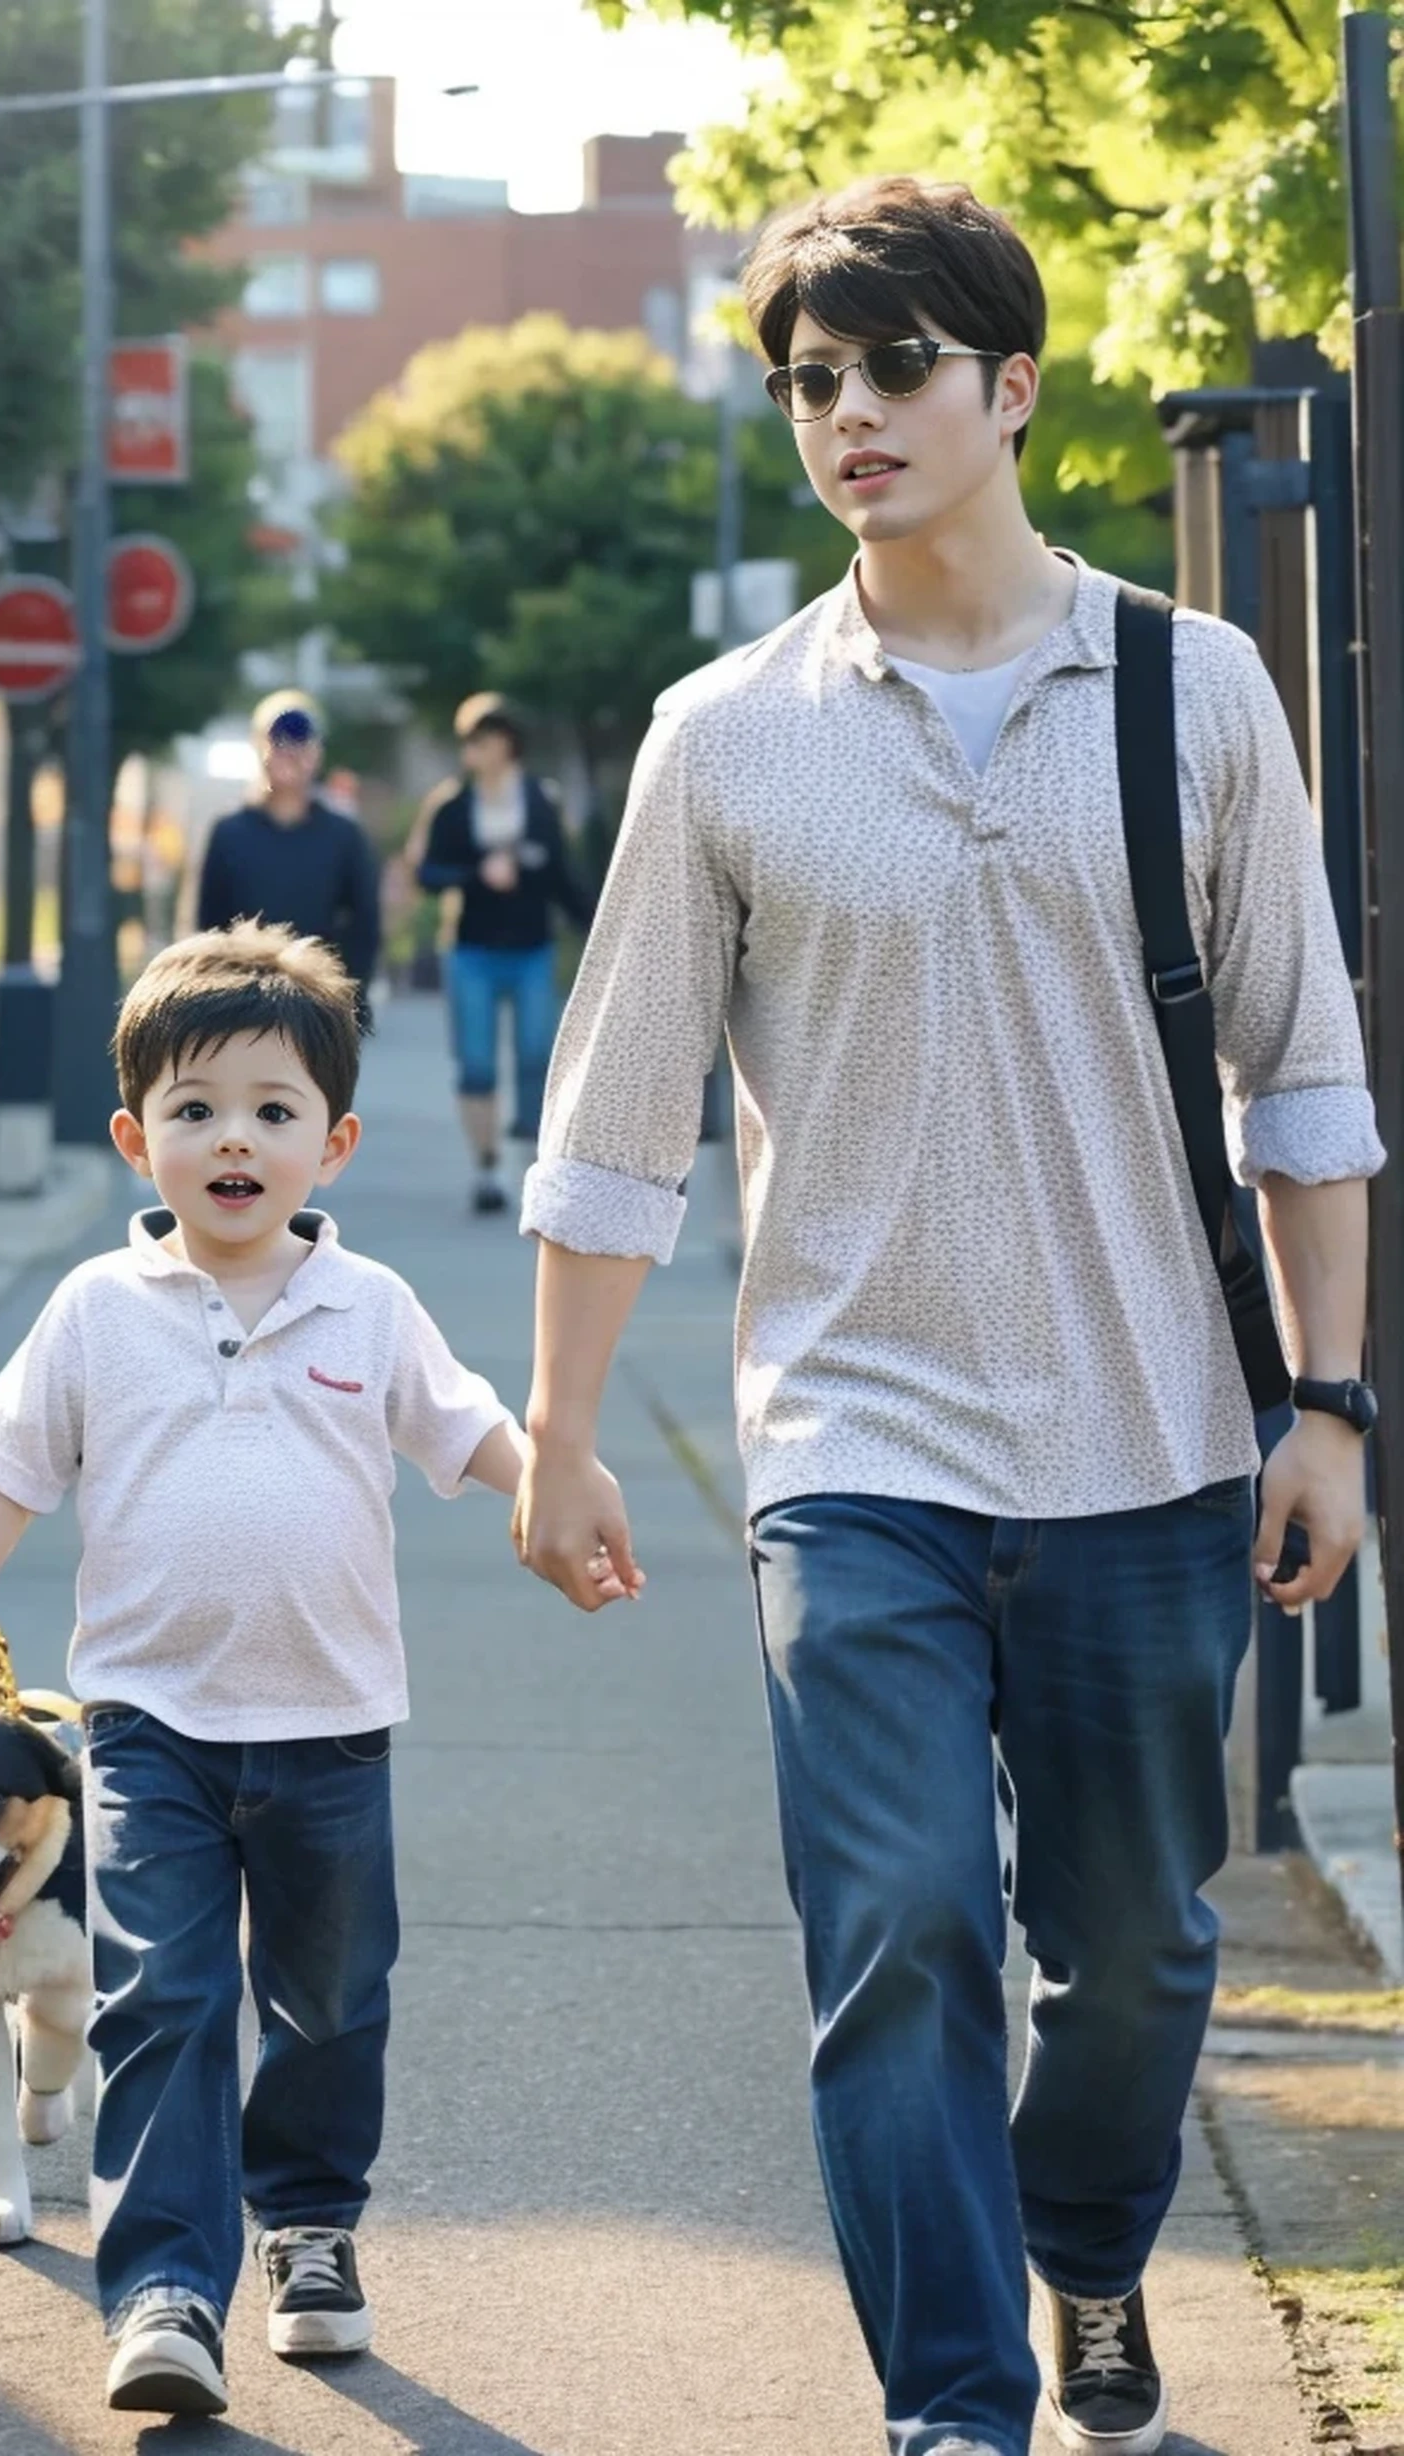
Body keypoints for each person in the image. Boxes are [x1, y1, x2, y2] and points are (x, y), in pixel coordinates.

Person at [513, 175, 1382, 2456]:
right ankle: (956, 2406)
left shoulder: (1199, 689)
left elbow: (1304, 1072)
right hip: (857, 1441)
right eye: (813, 378)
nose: (851, 415)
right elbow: (618, 1122)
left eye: (896, 369)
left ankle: (1089, 2248)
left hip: (1155, 1431)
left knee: (1140, 1958)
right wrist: (559, 1425)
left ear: (1010, 384)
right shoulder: (724, 734)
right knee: (896, 1924)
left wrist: (1334, 1402)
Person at [0, 920, 624, 2421]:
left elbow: (468, 1431)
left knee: (328, 2003)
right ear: (134, 1136)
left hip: (332, 1729)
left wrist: (551, 1489)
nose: (236, 1140)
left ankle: (309, 2231)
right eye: (197, 1110)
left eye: (274, 1111)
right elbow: (11, 1457)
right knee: (156, 1999)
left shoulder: (372, 1308)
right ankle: (164, 2285)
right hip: (144, 1727)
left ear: (334, 1142)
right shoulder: (95, 1309)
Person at [414, 693, 594, 1215]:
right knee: (476, 1065)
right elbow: (428, 872)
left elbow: (562, 872)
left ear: (506, 743)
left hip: (531, 948)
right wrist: (476, 875)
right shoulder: (451, 805)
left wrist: (599, 928)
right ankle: (486, 1166)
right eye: (467, 739)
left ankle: (526, 1164)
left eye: (482, 738)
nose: (472, 749)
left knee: (536, 1056)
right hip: (472, 950)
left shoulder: (540, 799)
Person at [195, 690, 382, 1001]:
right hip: (243, 1001)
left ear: (318, 752)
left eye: (300, 740)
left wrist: (352, 996)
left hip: (319, 1000)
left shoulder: (343, 835)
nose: (289, 752)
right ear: (259, 748)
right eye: (277, 741)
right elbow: (210, 927)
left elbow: (364, 924)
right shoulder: (229, 833)